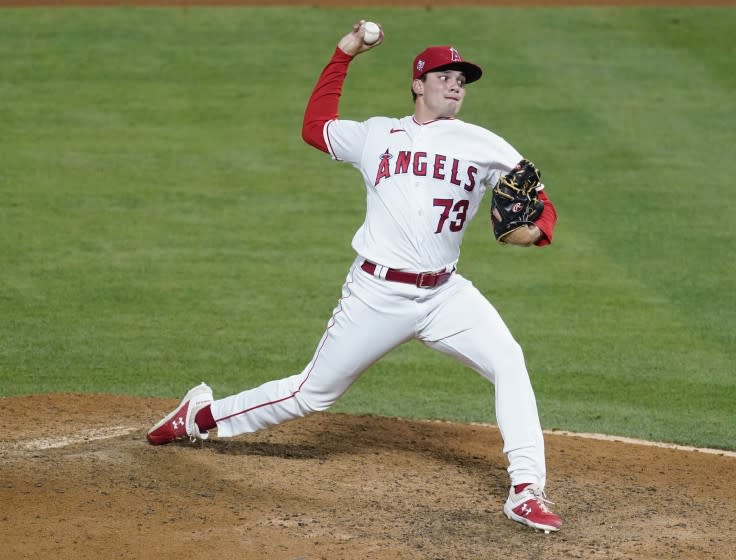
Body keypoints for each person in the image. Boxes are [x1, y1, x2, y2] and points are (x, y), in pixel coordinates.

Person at [147, 20, 562, 533]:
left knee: (509, 360)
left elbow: (539, 201)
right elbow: (314, 126)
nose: (456, 84)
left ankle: (526, 489)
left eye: (462, 78)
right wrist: (344, 52)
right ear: (418, 83)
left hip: (445, 294)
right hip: (376, 294)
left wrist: (537, 231)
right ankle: (199, 417)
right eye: (444, 75)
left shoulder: (486, 145)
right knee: (310, 394)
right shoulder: (376, 134)